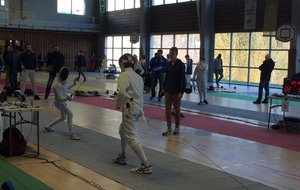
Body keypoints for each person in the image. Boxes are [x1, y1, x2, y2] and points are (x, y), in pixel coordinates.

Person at [112, 53, 152, 174]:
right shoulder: (138, 77)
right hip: (139, 109)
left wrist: (117, 104)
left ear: (122, 64)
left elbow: (122, 93)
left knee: (131, 137)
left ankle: (146, 165)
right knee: (122, 130)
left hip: (130, 109)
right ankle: (122, 156)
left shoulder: (123, 76)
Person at [43, 67, 80, 140]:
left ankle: (48, 127)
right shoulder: (58, 85)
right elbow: (60, 98)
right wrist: (68, 98)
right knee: (70, 114)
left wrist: (73, 84)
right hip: (59, 103)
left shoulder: (64, 82)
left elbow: (66, 88)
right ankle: (72, 133)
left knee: (63, 117)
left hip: (62, 102)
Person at [161, 47, 186, 136]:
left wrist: (181, 92)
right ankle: (169, 128)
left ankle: (177, 127)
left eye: (173, 53)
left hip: (176, 91)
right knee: (167, 110)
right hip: (168, 90)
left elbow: (183, 79)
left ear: (176, 54)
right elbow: (166, 77)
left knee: (177, 110)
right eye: (170, 53)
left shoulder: (181, 64)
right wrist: (163, 88)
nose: (171, 54)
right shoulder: (167, 64)